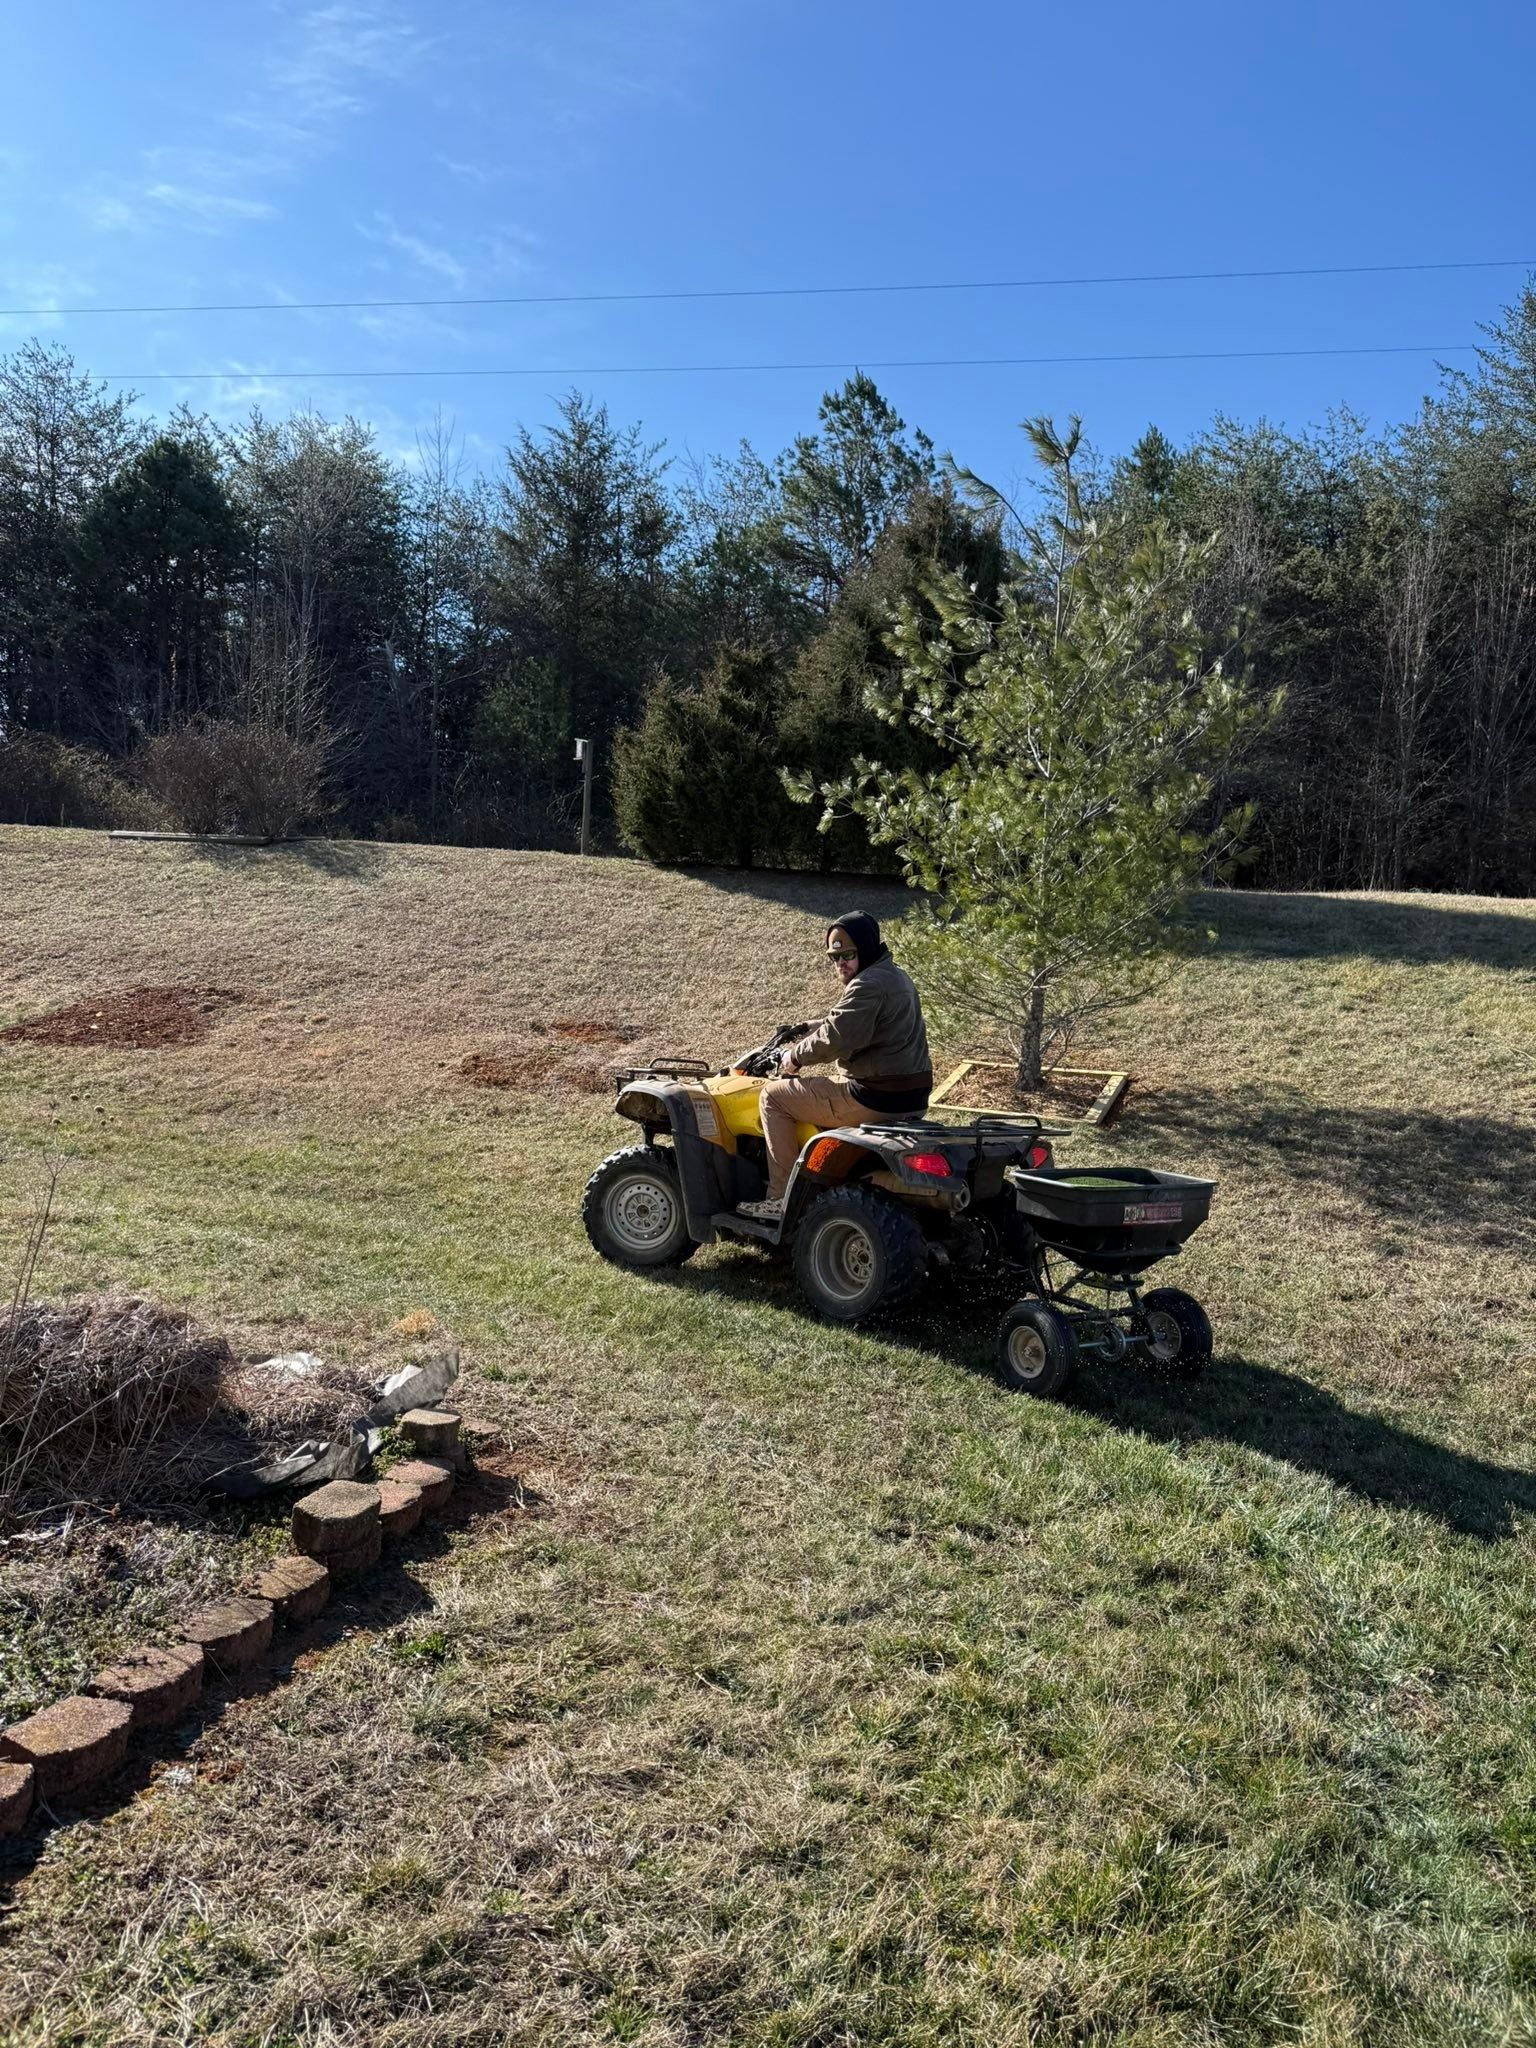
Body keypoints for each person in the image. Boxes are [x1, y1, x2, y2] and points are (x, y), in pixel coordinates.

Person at [738, 912, 932, 1222]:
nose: (840, 962)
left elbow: (835, 1039)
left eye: (848, 955)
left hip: (873, 1098)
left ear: (866, 949)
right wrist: (808, 1025)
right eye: (834, 956)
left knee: (774, 1096)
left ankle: (779, 1200)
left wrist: (793, 1057)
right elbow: (851, 1021)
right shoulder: (895, 976)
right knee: (824, 1085)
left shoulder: (867, 984)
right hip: (909, 1098)